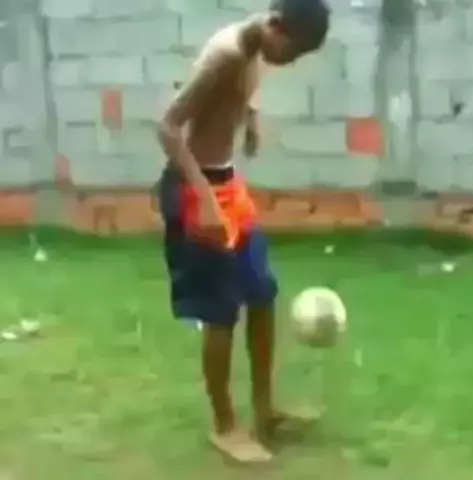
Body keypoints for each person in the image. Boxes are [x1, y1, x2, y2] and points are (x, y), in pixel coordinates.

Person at [155, 0, 331, 464]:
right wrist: (205, 200)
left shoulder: (254, 46)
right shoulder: (228, 53)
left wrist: (249, 119)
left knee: (261, 292)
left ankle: (265, 410)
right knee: (220, 311)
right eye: (292, 51)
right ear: (276, 26)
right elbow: (168, 127)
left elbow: (237, 90)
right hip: (197, 191)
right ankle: (225, 425)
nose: (289, 62)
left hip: (227, 185)